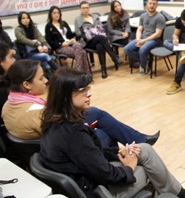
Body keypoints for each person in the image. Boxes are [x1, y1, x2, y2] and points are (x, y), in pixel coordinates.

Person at [39, 67, 185, 198]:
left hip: (89, 181)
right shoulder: (73, 133)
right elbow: (106, 174)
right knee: (151, 170)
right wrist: (129, 168)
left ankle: (177, 195)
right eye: (83, 91)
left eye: (88, 89)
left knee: (144, 149)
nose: (89, 94)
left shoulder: (55, 119)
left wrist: (118, 153)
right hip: (99, 195)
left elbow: (89, 155)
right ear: (66, 96)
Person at [0, 59, 160, 147]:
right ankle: (119, 165)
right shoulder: (35, 113)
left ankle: (139, 140)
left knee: (96, 112)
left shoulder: (10, 103)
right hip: (59, 147)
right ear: (26, 85)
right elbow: (64, 131)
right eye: (41, 78)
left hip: (48, 139)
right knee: (104, 134)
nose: (46, 80)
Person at [74, 1, 122, 79]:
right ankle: (114, 57)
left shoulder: (95, 16)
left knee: (100, 46)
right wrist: (90, 32)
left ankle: (104, 70)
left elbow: (101, 28)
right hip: (87, 41)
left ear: (89, 8)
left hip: (99, 39)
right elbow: (78, 33)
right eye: (83, 8)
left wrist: (93, 30)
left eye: (87, 7)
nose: (85, 9)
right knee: (101, 38)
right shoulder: (78, 19)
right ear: (80, 9)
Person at [124, 0, 165, 75]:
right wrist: (138, 39)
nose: (152, 5)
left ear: (157, 6)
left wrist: (143, 41)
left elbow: (158, 34)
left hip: (155, 40)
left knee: (142, 49)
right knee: (127, 49)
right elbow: (139, 30)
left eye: (154, 4)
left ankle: (142, 67)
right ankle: (146, 61)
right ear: (146, 4)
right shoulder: (143, 16)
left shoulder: (160, 17)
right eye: (150, 3)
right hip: (143, 38)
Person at [45, 6, 91, 74]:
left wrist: (72, 39)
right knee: (82, 52)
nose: (57, 14)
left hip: (71, 44)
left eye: (58, 13)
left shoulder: (64, 23)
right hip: (60, 48)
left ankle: (82, 75)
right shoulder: (48, 26)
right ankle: (84, 75)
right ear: (50, 15)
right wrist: (61, 44)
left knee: (78, 46)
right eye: (54, 13)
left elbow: (70, 35)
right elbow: (50, 42)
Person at [14, 11, 59, 79]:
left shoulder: (33, 27)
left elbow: (40, 36)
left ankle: (51, 79)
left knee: (45, 63)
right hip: (28, 54)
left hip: (37, 51)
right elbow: (23, 39)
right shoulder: (18, 30)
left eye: (27, 18)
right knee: (45, 56)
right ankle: (60, 71)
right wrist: (37, 44)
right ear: (20, 20)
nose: (26, 20)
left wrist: (44, 44)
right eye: (23, 18)